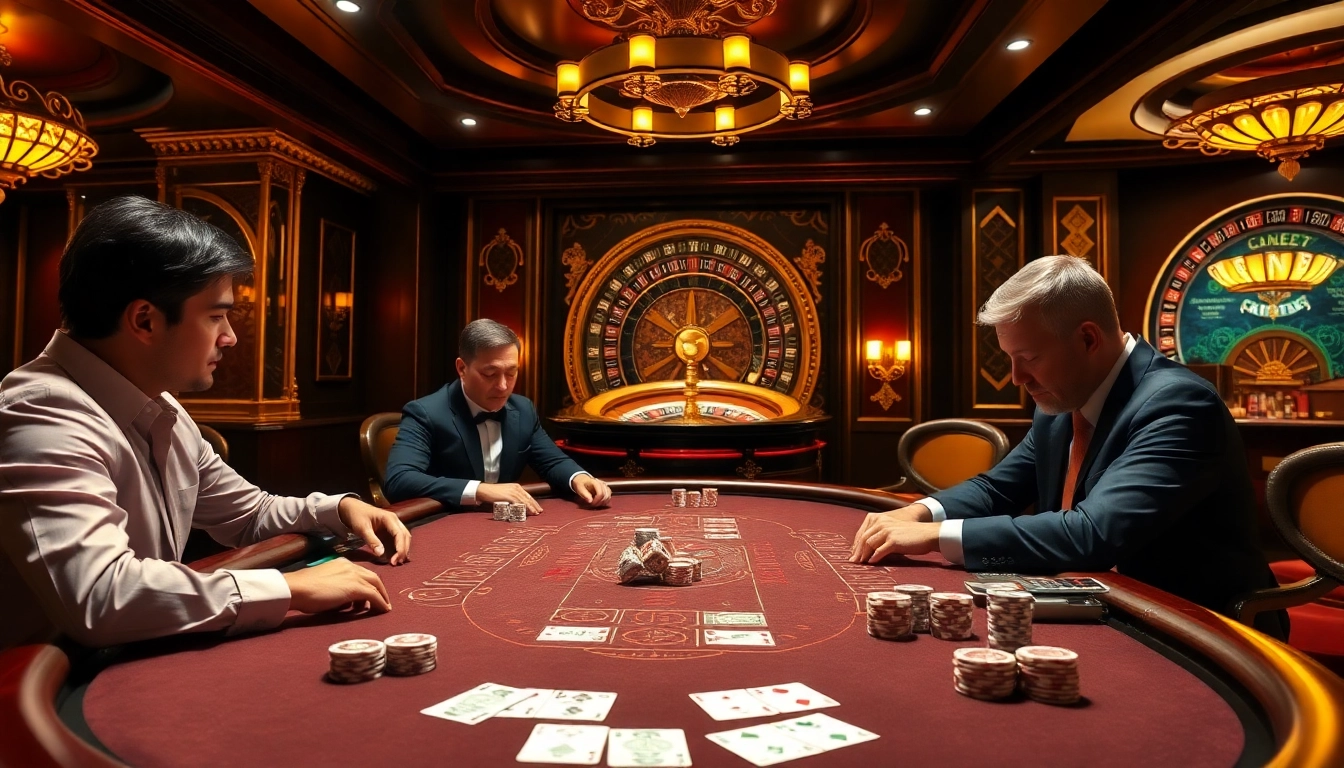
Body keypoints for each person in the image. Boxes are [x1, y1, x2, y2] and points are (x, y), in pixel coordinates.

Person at [0, 196, 411, 650]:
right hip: (36, 694)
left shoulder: (161, 406)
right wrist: (291, 588)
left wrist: (336, 510)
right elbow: (99, 595)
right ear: (144, 319)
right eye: (216, 315)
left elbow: (248, 512)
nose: (230, 336)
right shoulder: (40, 411)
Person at [849, 255, 1285, 638]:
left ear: (1088, 339)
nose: (1017, 378)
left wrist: (933, 536)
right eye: (1010, 358)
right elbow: (998, 489)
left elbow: (1093, 532)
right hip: (1106, 604)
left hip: (1200, 626)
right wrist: (919, 512)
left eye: (1030, 358)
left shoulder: (1178, 405)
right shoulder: (1061, 403)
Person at [384, 319, 612, 513]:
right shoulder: (425, 413)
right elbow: (399, 480)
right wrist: (480, 489)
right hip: (443, 524)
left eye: (511, 373)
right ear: (462, 368)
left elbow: (552, 461)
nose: (503, 386)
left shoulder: (522, 409)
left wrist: (579, 478)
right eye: (490, 374)